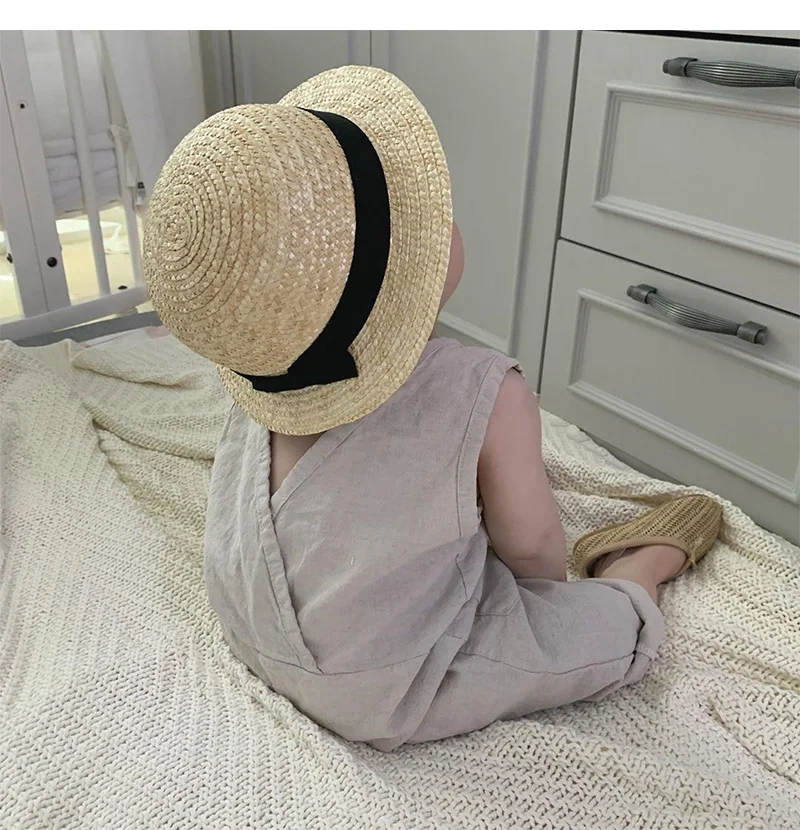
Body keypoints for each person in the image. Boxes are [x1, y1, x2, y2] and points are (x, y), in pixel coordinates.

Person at [142, 66, 722, 751]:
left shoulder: (269, 360)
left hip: (251, 619)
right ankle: (637, 569)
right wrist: (538, 608)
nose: (443, 222)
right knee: (602, 636)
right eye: (420, 217)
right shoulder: (483, 390)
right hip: (377, 683)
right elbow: (534, 551)